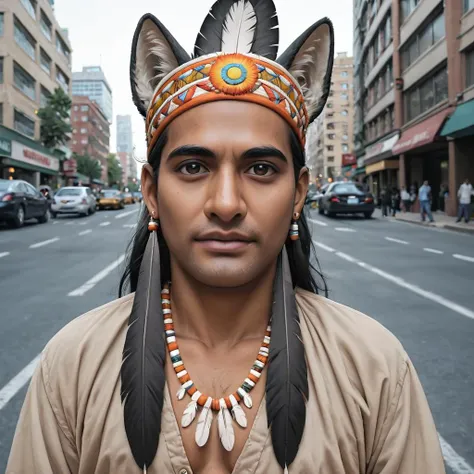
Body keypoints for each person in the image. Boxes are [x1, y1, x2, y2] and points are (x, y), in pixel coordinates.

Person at [7, 1, 446, 473]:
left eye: (261, 169)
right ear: (152, 192)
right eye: (193, 167)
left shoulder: (374, 367)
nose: (226, 203)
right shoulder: (72, 365)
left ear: (298, 193)